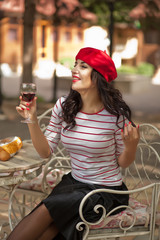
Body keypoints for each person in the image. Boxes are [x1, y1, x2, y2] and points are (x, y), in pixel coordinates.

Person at [7, 47, 140, 240]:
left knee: (46, 212)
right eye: (75, 64)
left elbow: (123, 162)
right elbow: (45, 152)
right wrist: (32, 119)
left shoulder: (115, 115)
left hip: (105, 191)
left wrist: (131, 146)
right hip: (74, 184)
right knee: (50, 230)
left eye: (83, 66)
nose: (74, 70)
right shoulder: (64, 106)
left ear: (98, 77)